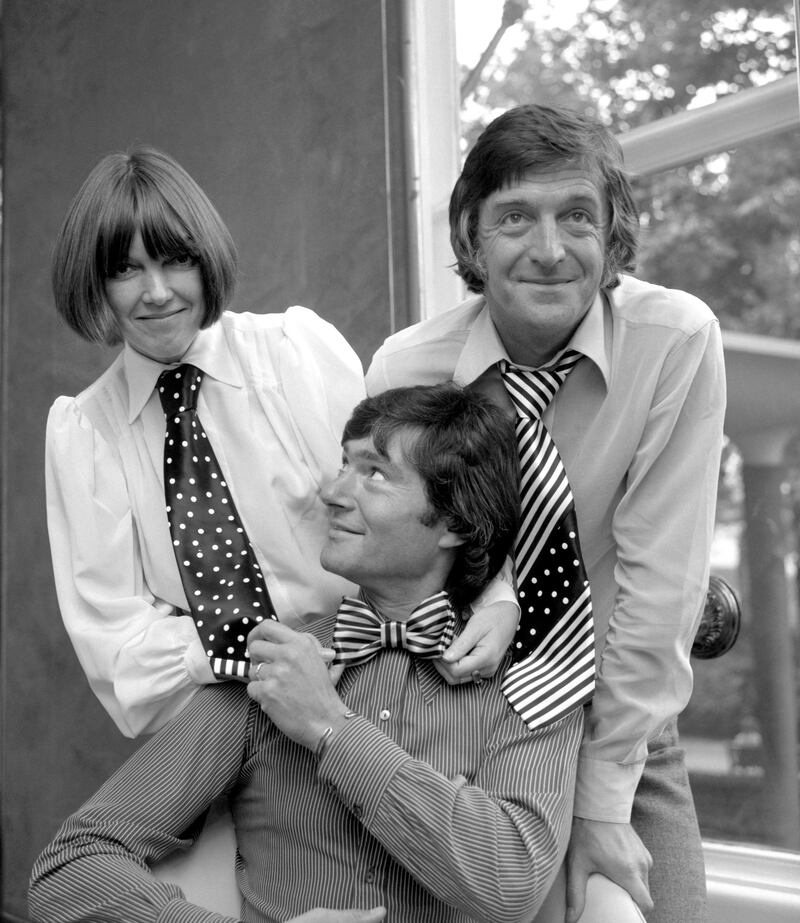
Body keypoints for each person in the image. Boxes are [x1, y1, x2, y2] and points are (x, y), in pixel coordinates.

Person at [29, 384, 583, 923]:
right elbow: (70, 868)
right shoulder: (269, 667)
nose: (333, 492)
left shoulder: (535, 676)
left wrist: (330, 728)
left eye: (375, 473)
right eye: (345, 464)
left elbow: (511, 883)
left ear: (455, 523)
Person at [364, 104, 726, 923]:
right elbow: (395, 561)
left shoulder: (672, 343)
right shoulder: (409, 367)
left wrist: (601, 801)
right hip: (466, 718)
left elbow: (660, 582)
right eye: (515, 217)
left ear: (614, 234)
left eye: (577, 217)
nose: (550, 249)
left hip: (614, 718)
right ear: (471, 235)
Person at [45, 146, 518, 739]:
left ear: (206, 259)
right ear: (94, 281)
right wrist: (258, 653)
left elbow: (416, 491)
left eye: (176, 261)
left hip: (385, 682)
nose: (158, 292)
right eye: (126, 269)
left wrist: (498, 593)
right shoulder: (86, 434)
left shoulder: (293, 352)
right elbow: (117, 649)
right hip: (224, 724)